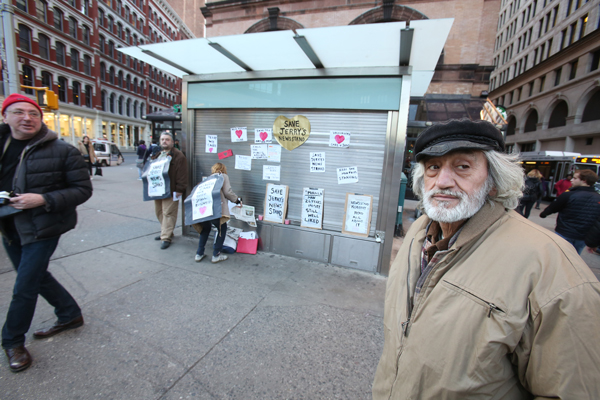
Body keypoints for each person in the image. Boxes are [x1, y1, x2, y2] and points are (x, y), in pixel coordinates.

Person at [372, 119, 600, 399]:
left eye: (462, 167)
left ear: (493, 181)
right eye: (433, 167)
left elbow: (571, 389)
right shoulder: (418, 232)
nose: (443, 181)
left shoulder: (550, 266)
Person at [0, 93, 92, 372]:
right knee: (36, 277)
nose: (26, 118)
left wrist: (42, 199)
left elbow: (82, 190)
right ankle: (69, 313)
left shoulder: (62, 150)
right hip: (8, 226)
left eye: (33, 113)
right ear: (5, 116)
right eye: (18, 112)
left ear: (42, 118)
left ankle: (12, 340)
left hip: (43, 226)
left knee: (25, 285)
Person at [539, 169, 600, 254]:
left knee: (559, 255)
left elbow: (554, 207)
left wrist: (544, 214)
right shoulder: (597, 197)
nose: (571, 180)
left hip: (565, 232)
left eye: (575, 178)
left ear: (584, 181)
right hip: (582, 236)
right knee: (574, 257)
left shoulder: (569, 194)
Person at [194, 163, 241, 263]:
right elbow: (228, 192)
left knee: (205, 230)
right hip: (216, 210)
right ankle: (216, 255)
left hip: (205, 209)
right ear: (223, 169)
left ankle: (199, 253)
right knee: (221, 230)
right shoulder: (223, 176)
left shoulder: (208, 179)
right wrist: (237, 200)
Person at [151, 132, 187, 249]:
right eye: (162, 139)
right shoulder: (158, 155)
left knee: (168, 213)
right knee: (159, 212)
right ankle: (166, 231)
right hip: (158, 189)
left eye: (167, 139)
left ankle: (166, 237)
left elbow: (182, 174)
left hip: (171, 190)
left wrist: (180, 189)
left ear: (172, 142)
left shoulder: (178, 156)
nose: (164, 141)